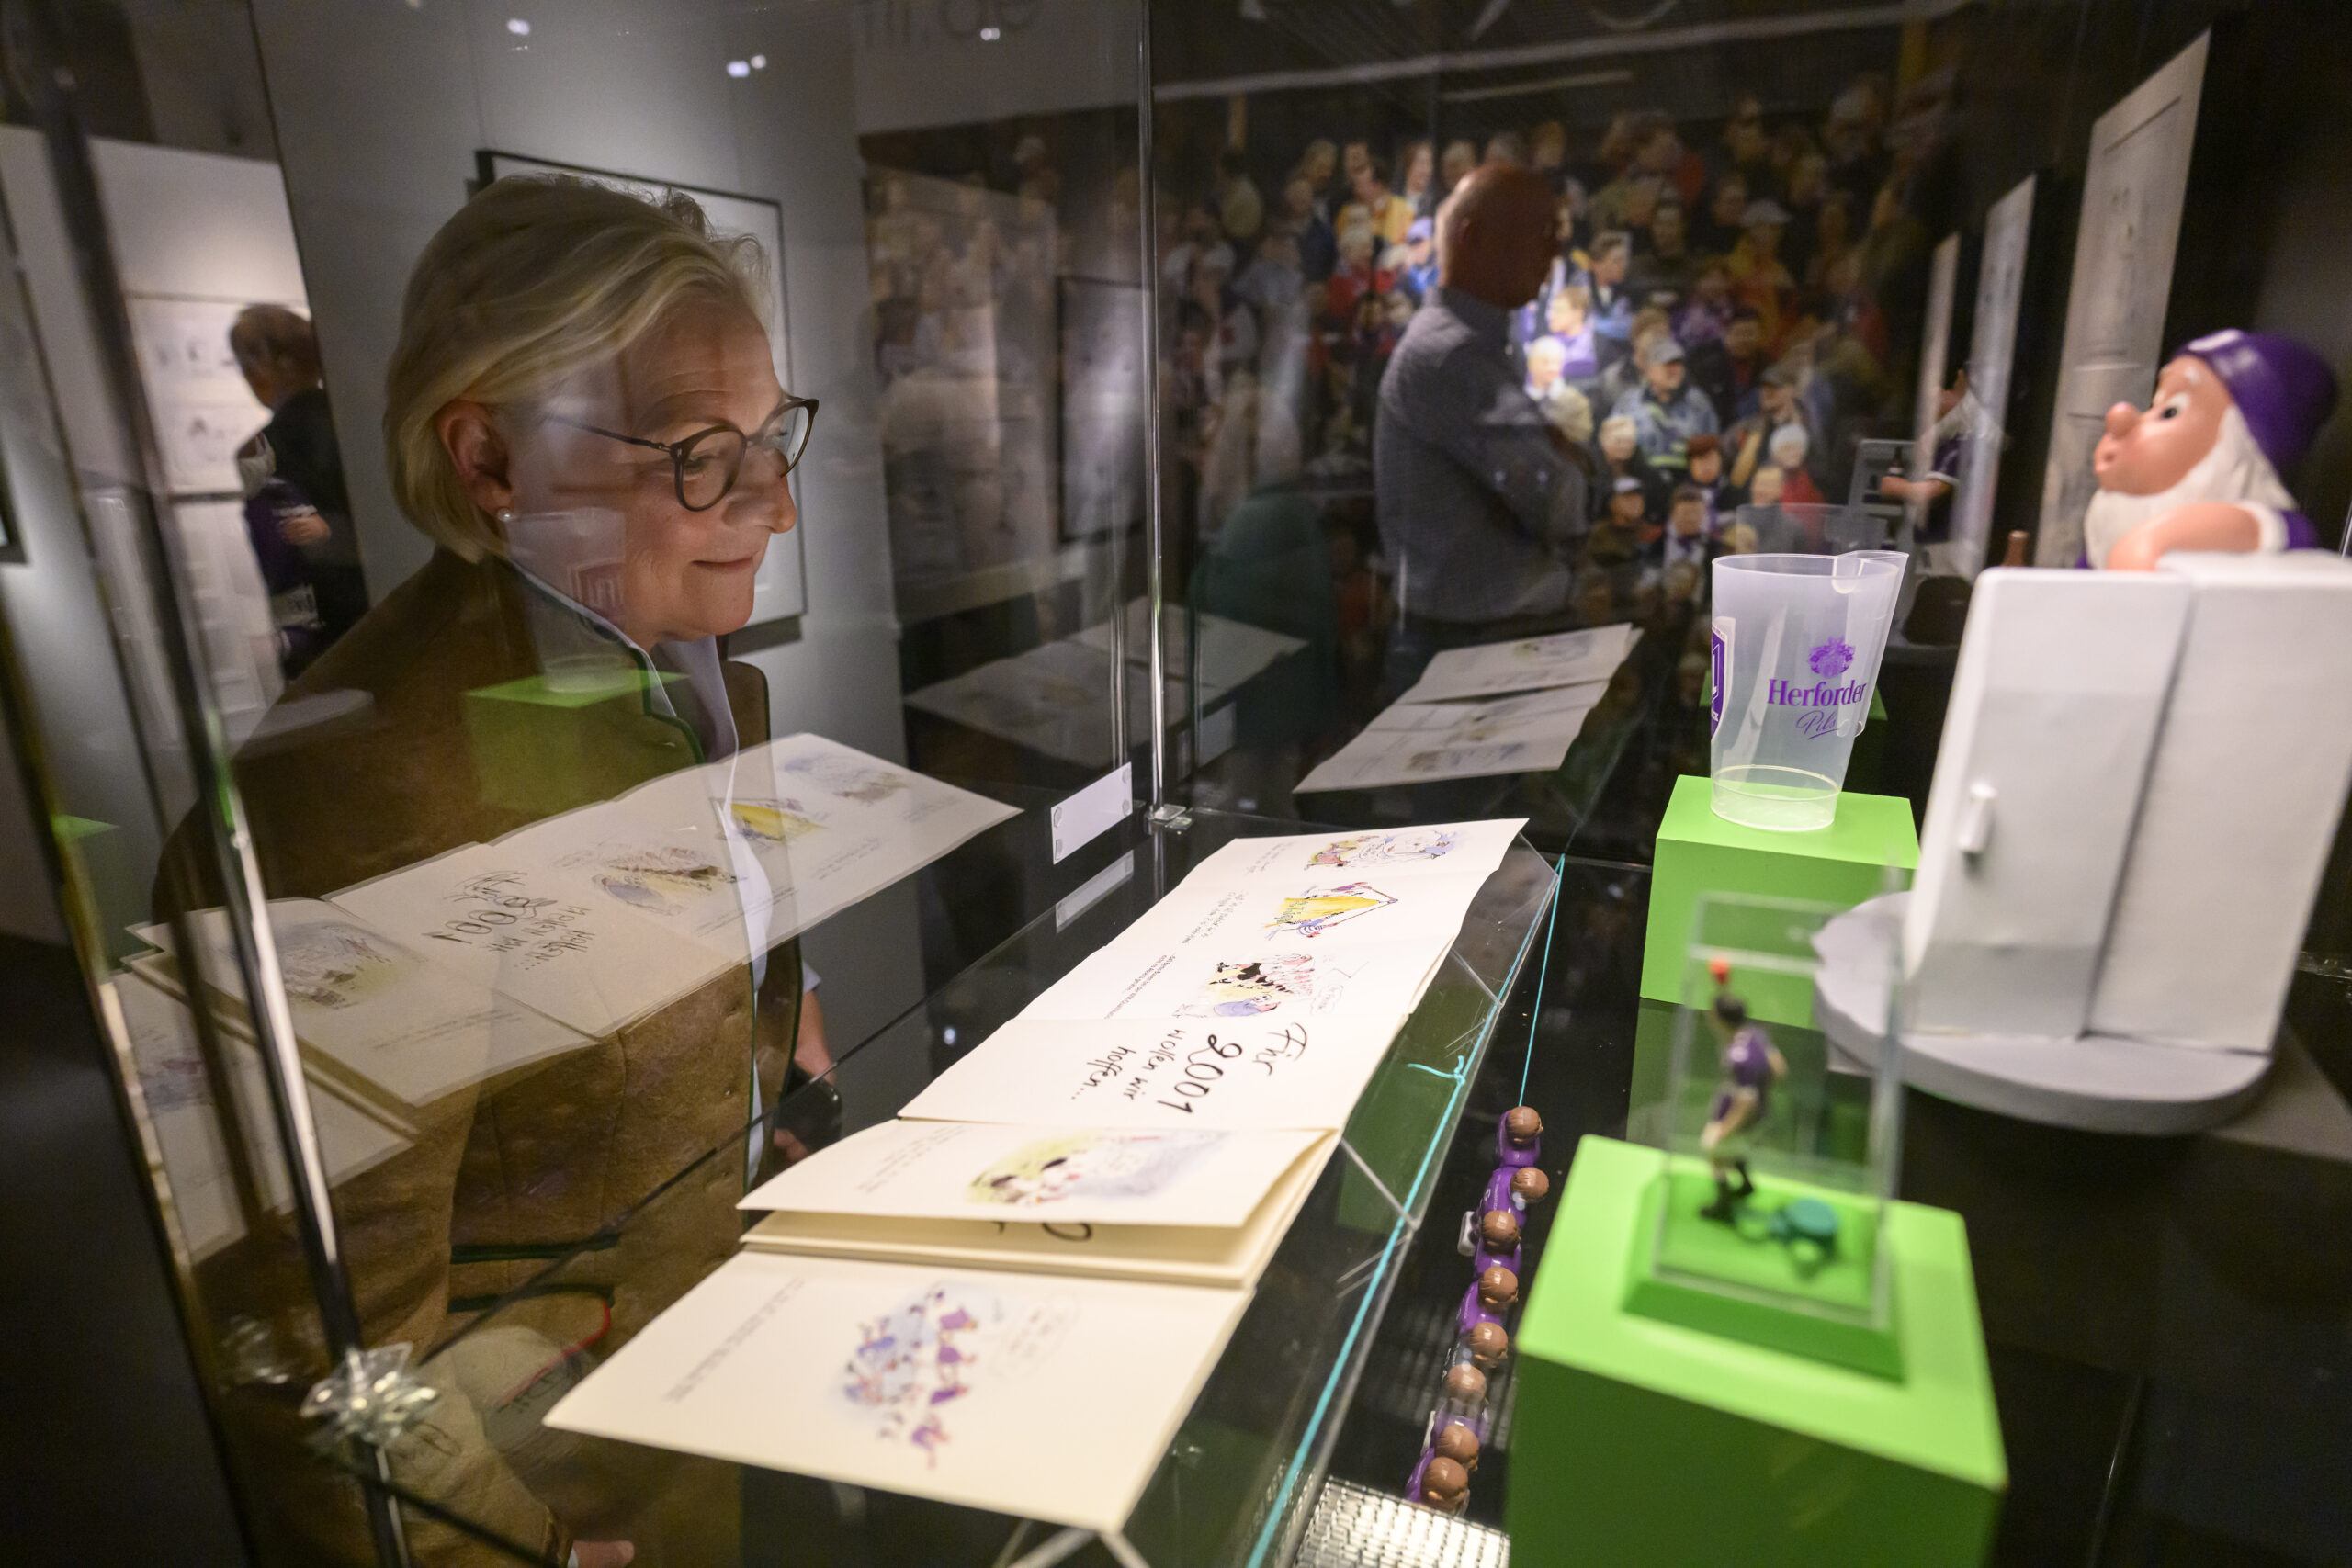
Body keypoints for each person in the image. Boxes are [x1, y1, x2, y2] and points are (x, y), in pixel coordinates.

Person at [159, 177, 819, 1566]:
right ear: (491, 460)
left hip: (721, 1383)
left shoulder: (702, 678)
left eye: (772, 439)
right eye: (700, 454)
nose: (775, 505)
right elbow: (320, 1340)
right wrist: (522, 1553)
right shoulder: (354, 791)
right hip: (568, 1485)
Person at [1374, 161, 1589, 694]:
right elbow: (1563, 498)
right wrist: (1564, 462)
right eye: (1541, 231)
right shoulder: (1452, 356)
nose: (1554, 250)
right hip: (1465, 652)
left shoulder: (1470, 348)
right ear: (1473, 238)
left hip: (1475, 643)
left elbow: (1548, 486)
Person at [229, 305, 368, 673]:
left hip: (326, 629)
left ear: (262, 368)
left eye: (246, 367)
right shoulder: (356, 421)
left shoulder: (261, 450)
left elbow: (282, 561)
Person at [1611, 335, 1717, 476]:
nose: (1673, 370)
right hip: (1642, 477)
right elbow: (1613, 445)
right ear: (1650, 369)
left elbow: (1712, 444)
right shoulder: (1629, 402)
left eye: (1678, 363)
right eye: (1666, 364)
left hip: (1686, 478)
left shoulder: (1698, 401)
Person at [1525, 336, 1596, 446]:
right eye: (1545, 362)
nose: (1551, 368)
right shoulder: (1518, 398)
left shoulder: (1576, 402)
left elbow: (1582, 439)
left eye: (1556, 362)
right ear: (1531, 364)